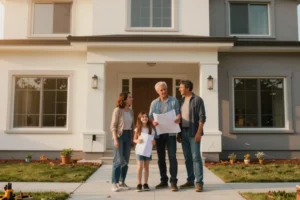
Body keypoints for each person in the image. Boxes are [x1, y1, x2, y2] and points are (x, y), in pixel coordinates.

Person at [149, 81, 181, 192]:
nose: (163, 91)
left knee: (172, 157)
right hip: (159, 133)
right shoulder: (154, 103)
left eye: (165, 89)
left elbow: (178, 113)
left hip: (171, 133)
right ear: (157, 91)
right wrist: (153, 122)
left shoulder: (174, 101)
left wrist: (178, 118)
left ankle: (173, 182)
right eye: (161, 90)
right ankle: (163, 180)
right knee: (161, 158)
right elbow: (150, 117)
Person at [177, 80, 206, 192]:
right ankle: (190, 180)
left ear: (188, 88)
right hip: (183, 132)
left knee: (196, 157)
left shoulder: (197, 100)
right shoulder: (182, 101)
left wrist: (199, 132)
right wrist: (179, 133)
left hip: (194, 132)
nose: (179, 89)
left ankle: (199, 183)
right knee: (187, 158)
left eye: (181, 87)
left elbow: (202, 117)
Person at [110, 92, 134, 192]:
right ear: (124, 99)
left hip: (128, 136)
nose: (132, 98)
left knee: (125, 161)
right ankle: (114, 183)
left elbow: (133, 126)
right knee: (118, 161)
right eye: (129, 97)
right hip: (119, 136)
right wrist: (115, 139)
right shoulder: (117, 110)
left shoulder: (131, 111)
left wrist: (132, 138)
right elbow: (113, 126)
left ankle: (122, 181)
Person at [133, 112, 156, 192]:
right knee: (140, 167)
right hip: (139, 151)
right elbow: (134, 139)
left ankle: (145, 183)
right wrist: (137, 141)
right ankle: (139, 184)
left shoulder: (151, 129)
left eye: (146, 116)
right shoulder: (138, 129)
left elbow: (153, 140)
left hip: (147, 150)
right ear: (140, 119)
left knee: (146, 167)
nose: (145, 118)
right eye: (142, 117)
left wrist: (154, 143)